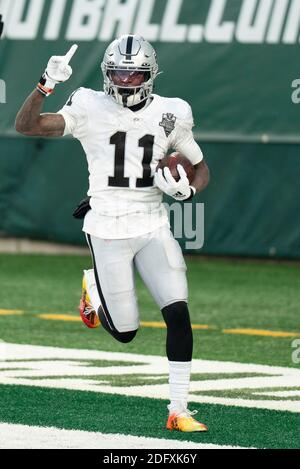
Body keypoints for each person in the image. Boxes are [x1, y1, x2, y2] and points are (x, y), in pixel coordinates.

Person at [15, 35, 210, 432]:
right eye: (118, 71)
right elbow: (27, 126)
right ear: (107, 73)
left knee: (178, 311)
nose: (124, 80)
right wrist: (44, 84)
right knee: (125, 333)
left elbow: (201, 168)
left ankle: (179, 409)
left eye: (133, 71)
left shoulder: (173, 113)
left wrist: (188, 189)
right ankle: (94, 289)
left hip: (152, 221)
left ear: (150, 73)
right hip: (106, 225)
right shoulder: (89, 104)